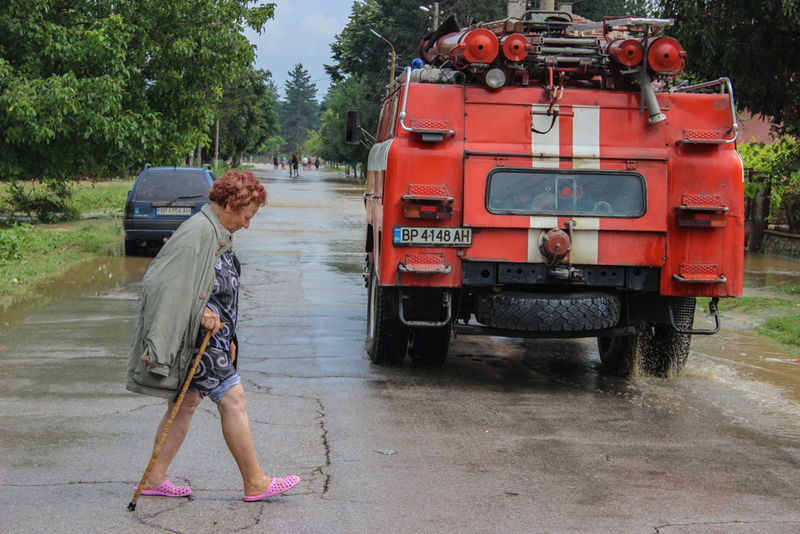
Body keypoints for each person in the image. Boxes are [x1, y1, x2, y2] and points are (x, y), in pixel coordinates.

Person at [126, 170, 300, 502]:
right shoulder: (198, 233)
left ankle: (153, 478)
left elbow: (212, 288)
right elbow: (161, 283)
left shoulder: (215, 231)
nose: (247, 225)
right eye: (246, 216)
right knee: (234, 400)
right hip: (197, 338)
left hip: (212, 338)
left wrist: (228, 337)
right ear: (230, 204)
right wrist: (200, 310)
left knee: (186, 403)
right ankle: (255, 482)